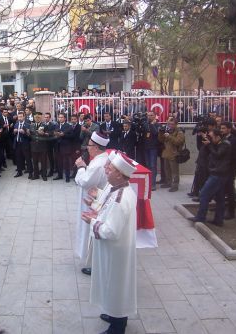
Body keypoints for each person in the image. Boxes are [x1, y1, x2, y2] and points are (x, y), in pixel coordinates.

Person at [81, 151, 137, 334]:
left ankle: (118, 326)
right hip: (113, 250)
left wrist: (92, 222)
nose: (105, 170)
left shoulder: (121, 197)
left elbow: (111, 230)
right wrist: (94, 206)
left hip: (116, 250)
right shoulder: (116, 189)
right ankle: (115, 314)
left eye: (109, 168)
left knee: (116, 285)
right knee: (112, 284)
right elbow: (107, 211)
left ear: (120, 173)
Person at [74, 131, 109, 275]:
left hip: (94, 202)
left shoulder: (98, 163)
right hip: (96, 199)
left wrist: (81, 167)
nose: (87, 148)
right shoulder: (102, 158)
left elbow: (84, 181)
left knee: (92, 233)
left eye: (89, 145)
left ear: (95, 147)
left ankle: (95, 264)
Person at [188, 129, 231, 226]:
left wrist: (209, 145)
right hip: (217, 173)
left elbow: (217, 155)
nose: (210, 139)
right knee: (220, 198)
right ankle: (218, 220)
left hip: (218, 174)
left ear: (218, 136)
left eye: (211, 137)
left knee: (203, 194)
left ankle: (201, 217)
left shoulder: (225, 144)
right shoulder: (218, 144)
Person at [158, 118, 185, 192]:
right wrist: (161, 132)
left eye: (172, 124)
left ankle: (175, 185)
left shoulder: (179, 132)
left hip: (174, 154)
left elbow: (178, 142)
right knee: (167, 170)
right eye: (169, 124)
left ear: (176, 124)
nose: (170, 126)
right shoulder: (168, 131)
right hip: (166, 153)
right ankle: (168, 182)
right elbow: (161, 140)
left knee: (174, 171)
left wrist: (169, 136)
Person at [143, 112, 159, 190]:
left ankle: (153, 184)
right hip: (146, 147)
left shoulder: (157, 124)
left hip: (153, 148)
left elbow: (156, 133)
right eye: (148, 115)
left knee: (153, 166)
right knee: (148, 165)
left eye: (151, 115)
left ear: (155, 116)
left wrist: (152, 124)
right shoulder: (146, 124)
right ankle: (148, 182)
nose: (149, 117)